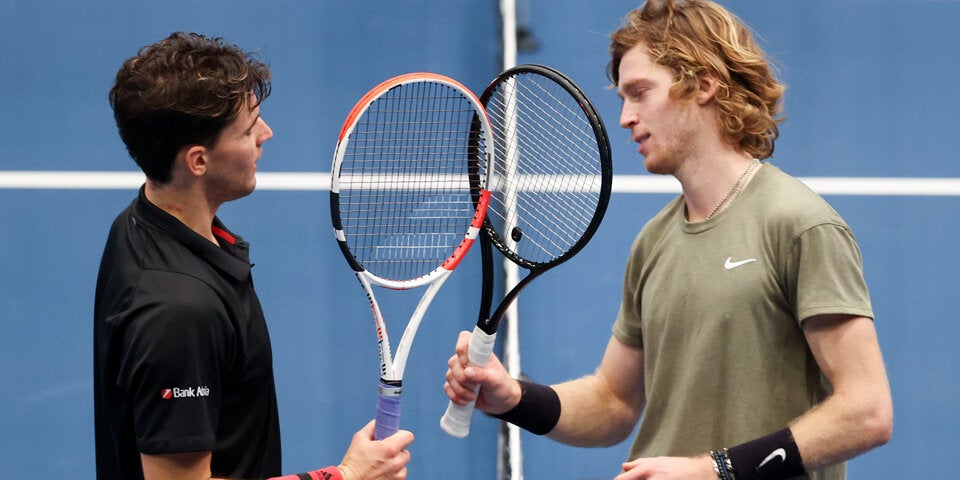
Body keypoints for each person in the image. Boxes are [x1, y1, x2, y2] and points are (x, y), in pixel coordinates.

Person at [442, 1, 893, 479]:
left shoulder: (800, 225)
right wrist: (514, 398)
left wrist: (712, 471)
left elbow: (867, 412)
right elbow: (613, 400)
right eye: (622, 98)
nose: (625, 117)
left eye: (639, 93)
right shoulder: (654, 241)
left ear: (702, 85)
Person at [94, 32, 413, 480]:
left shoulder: (143, 220)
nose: (266, 134)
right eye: (247, 130)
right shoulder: (180, 312)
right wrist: (346, 476)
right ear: (198, 161)